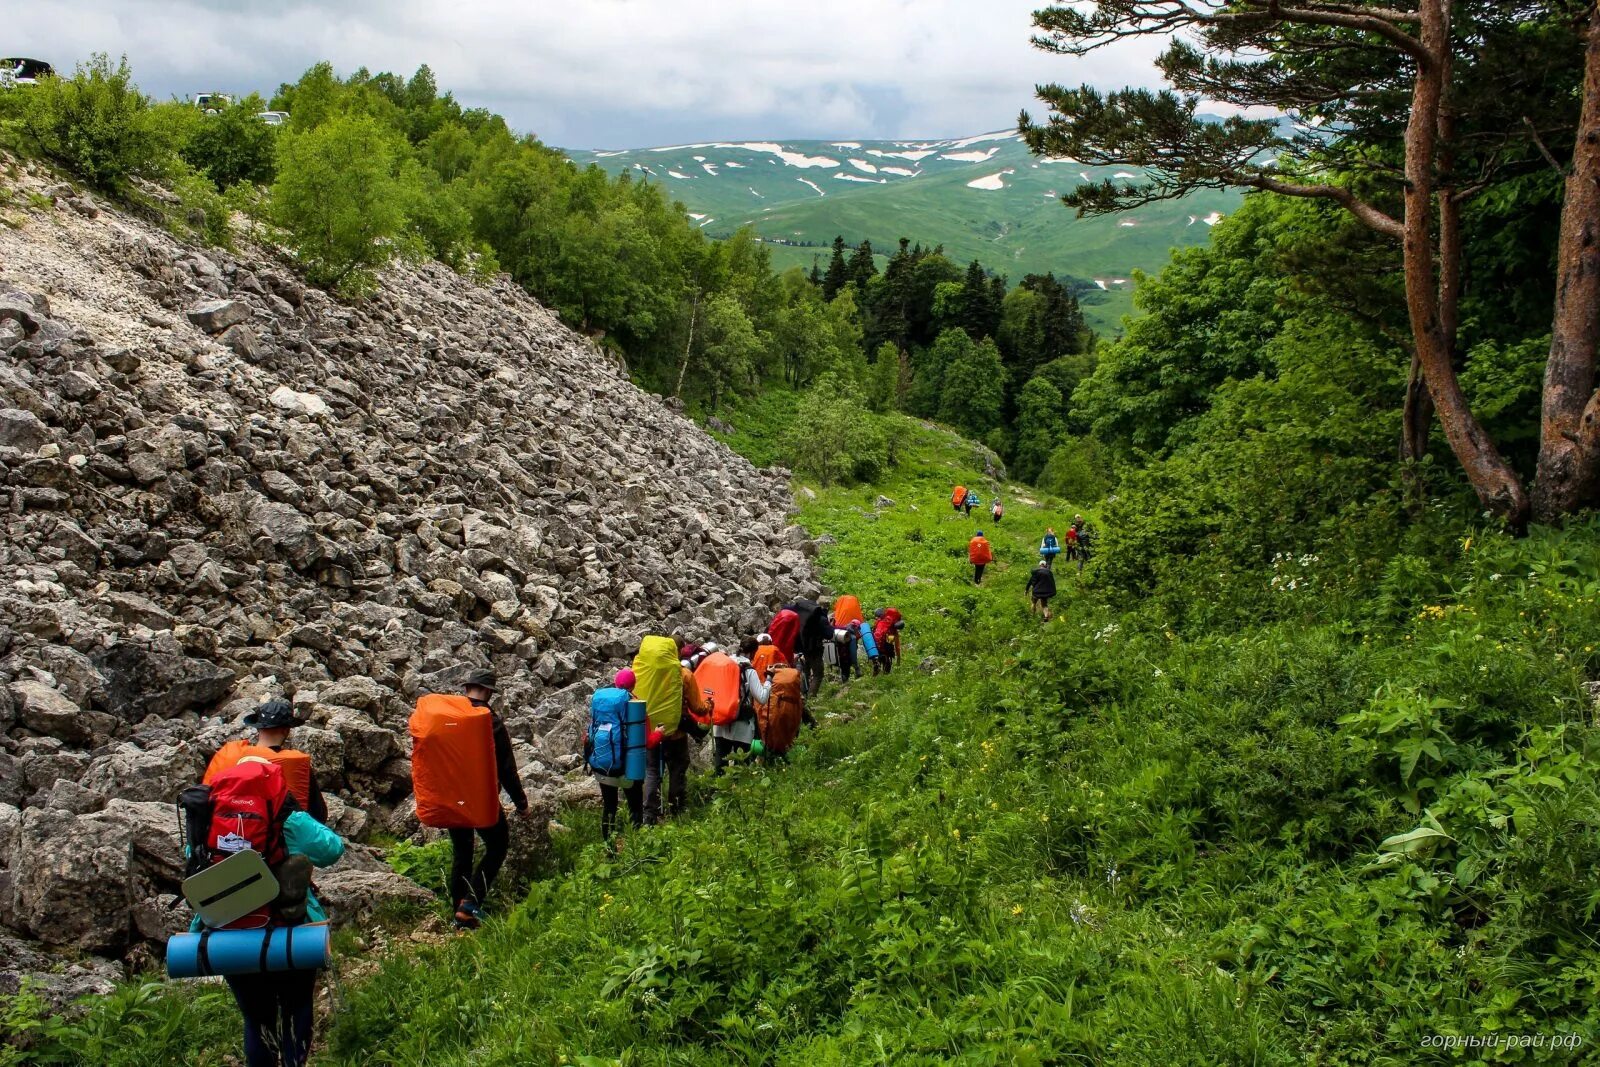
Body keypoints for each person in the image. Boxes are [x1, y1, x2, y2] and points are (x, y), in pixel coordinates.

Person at [197, 758, 345, 1067]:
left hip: (228, 930)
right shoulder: (285, 816)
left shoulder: (209, 815)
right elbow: (331, 849)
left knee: (256, 1018)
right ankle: (294, 1062)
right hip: (288, 930)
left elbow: (193, 863)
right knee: (297, 1006)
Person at [450, 668, 530, 930]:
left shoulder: (451, 716)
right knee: (498, 845)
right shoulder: (489, 721)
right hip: (481, 797)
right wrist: (521, 803)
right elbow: (507, 768)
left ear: (467, 688)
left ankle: (458, 911)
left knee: (462, 852)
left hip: (452, 796)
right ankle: (470, 904)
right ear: (488, 692)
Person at [204, 699, 327, 824]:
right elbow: (319, 815)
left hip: (221, 837)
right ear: (286, 730)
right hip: (275, 841)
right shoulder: (295, 764)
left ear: (258, 729)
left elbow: (204, 800)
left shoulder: (228, 754)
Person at [587, 668, 643, 843]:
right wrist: (658, 733)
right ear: (633, 685)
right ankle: (637, 844)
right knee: (635, 806)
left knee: (609, 806)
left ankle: (609, 848)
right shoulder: (634, 705)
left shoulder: (601, 703)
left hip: (602, 765)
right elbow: (645, 739)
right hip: (626, 766)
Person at [872, 607, 903, 675]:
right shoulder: (893, 630)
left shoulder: (878, 622)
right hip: (886, 650)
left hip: (876, 648)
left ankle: (875, 675)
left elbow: (873, 633)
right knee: (887, 666)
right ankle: (885, 676)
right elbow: (897, 646)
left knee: (876, 668)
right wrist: (898, 659)